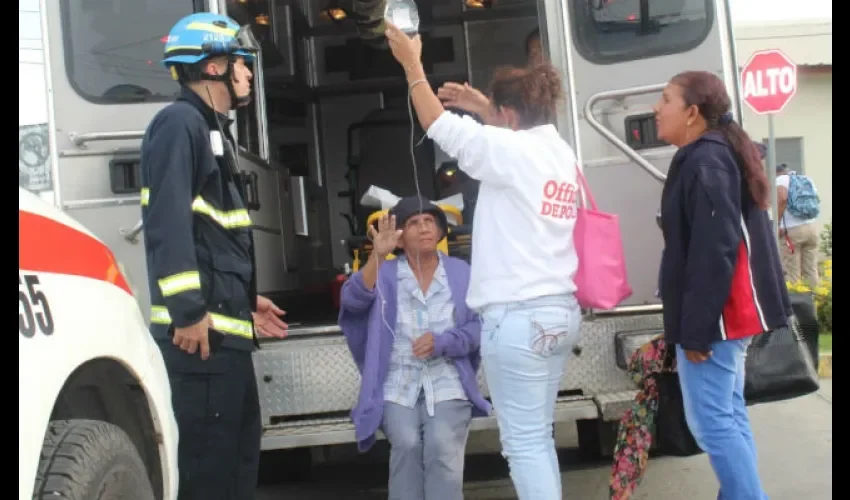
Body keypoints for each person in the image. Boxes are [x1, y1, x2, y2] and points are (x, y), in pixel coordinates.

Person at [384, 22, 583, 500]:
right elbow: (505, 136)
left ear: (508, 116)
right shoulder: (558, 151)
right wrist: (482, 106)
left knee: (524, 443)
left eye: (495, 110)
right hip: (559, 310)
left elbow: (436, 123)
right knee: (539, 436)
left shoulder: (511, 151)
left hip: (518, 319)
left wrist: (412, 64)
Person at [139, 13, 288, 499]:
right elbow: (168, 224)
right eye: (241, 64)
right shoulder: (177, 124)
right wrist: (189, 313)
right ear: (212, 67)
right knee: (208, 474)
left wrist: (244, 302)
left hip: (224, 336)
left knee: (236, 465)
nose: (247, 74)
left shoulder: (209, 130)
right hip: (198, 344)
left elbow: (213, 237)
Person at [654, 70, 792, 500]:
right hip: (729, 315)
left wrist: (695, 327)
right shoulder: (712, 155)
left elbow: (715, 250)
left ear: (692, 113)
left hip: (721, 318)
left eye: (665, 100)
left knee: (711, 422)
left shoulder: (705, 160)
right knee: (727, 414)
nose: (656, 109)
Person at [338, 196, 490, 500]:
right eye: (413, 223)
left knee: (441, 444)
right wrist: (377, 258)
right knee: (407, 443)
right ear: (399, 236)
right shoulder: (385, 272)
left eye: (430, 221)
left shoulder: (461, 273)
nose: (424, 229)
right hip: (397, 382)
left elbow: (478, 328)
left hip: (448, 379)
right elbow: (351, 302)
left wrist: (444, 342)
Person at [776, 163, 822, 289]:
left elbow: (782, 199)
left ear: (777, 172)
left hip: (792, 231)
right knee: (811, 270)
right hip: (811, 228)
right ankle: (815, 303)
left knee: (792, 272)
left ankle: (796, 306)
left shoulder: (781, 179)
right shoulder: (806, 180)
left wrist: (777, 223)